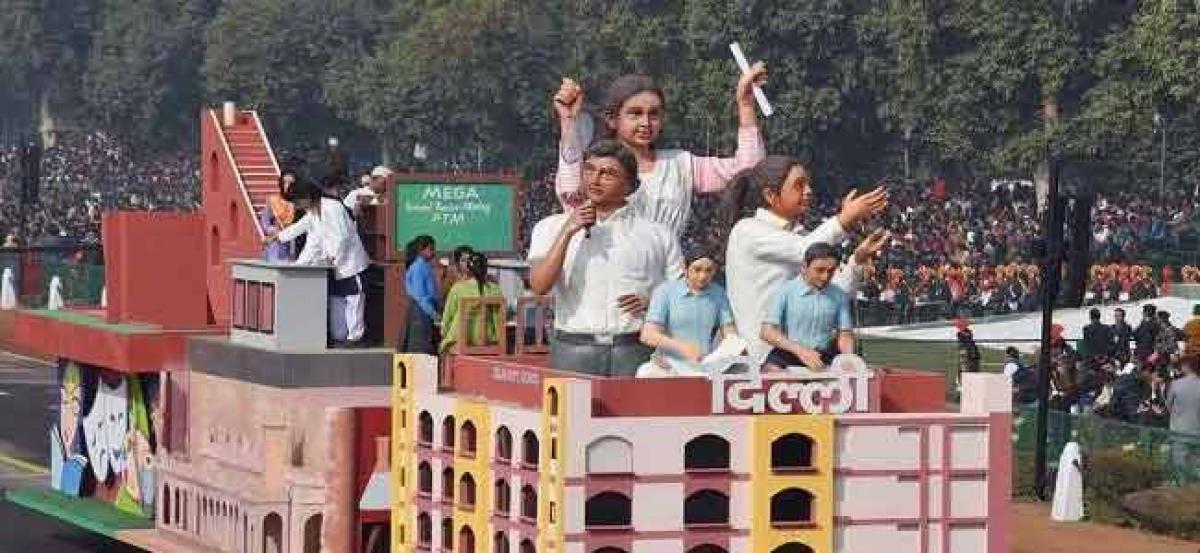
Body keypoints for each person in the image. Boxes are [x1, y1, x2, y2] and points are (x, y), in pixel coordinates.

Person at [551, 65, 767, 235]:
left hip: (666, 279)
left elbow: (750, 170)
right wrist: (568, 120)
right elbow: (570, 195)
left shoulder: (681, 165)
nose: (646, 122)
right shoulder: (597, 166)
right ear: (612, 119)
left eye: (654, 114)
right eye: (635, 113)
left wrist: (745, 104)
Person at [528, 140, 683, 377]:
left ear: (631, 185)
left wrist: (653, 302)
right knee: (571, 414)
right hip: (573, 348)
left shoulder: (658, 235)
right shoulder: (551, 227)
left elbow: (683, 296)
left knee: (635, 414)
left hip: (636, 349)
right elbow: (539, 286)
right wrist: (568, 231)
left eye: (608, 173)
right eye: (589, 170)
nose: (595, 179)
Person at [722, 155, 888, 362]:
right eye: (799, 185)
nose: (809, 191)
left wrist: (858, 260)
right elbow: (802, 250)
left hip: (804, 360)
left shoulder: (800, 235)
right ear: (771, 195)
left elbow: (834, 293)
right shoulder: (748, 230)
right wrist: (845, 219)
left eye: (808, 184)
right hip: (761, 361)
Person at [266, 180, 370, 346]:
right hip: (333, 265)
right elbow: (306, 233)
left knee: (354, 299)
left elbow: (341, 237)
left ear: (307, 196)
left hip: (350, 264)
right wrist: (279, 238)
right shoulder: (313, 211)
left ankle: (356, 337)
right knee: (338, 300)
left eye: (297, 201)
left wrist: (332, 257)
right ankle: (341, 336)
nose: (297, 206)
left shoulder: (332, 207)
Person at [637, 254, 737, 377]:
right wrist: (683, 348)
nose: (703, 276)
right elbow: (648, 335)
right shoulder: (665, 291)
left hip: (702, 369)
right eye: (697, 269)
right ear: (685, 266)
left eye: (709, 270)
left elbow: (730, 334)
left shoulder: (718, 293)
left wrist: (734, 348)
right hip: (667, 367)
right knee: (645, 372)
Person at [761, 243, 855, 371]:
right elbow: (767, 332)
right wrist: (801, 351)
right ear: (804, 267)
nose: (825, 276)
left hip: (824, 355)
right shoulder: (785, 291)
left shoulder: (839, 295)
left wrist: (849, 359)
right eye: (819, 270)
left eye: (831, 271)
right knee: (771, 374)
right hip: (787, 353)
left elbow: (845, 335)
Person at [440, 252, 504, 353]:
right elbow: (498, 319)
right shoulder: (494, 289)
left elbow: (448, 316)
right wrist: (497, 339)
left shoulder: (458, 288)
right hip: (487, 342)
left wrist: (444, 334)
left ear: (469, 269)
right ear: (486, 268)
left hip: (459, 341)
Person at [403, 235, 440, 354]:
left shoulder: (424, 265)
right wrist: (434, 314)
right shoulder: (419, 267)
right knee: (420, 349)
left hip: (423, 311)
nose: (434, 252)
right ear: (421, 250)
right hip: (420, 312)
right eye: (431, 249)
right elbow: (421, 297)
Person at [260, 170, 302, 262]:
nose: (287, 186)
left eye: (291, 183)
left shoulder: (300, 204)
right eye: (285, 182)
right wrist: (271, 229)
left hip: (295, 242)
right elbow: (265, 221)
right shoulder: (273, 201)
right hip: (276, 242)